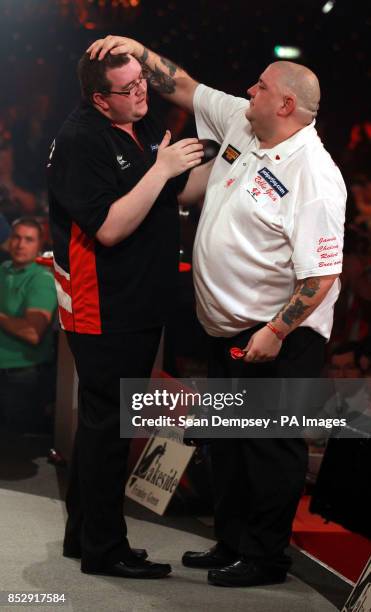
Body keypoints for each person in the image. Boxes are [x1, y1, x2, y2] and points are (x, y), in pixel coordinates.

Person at [88, 36, 347, 587]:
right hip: (227, 323)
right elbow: (181, 85)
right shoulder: (244, 121)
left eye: (261, 86)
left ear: (284, 105)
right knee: (227, 441)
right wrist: (136, 47)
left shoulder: (316, 176)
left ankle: (265, 556)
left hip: (280, 330)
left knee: (270, 446)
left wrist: (276, 330)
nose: (248, 89)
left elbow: (321, 275)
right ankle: (230, 541)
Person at [47, 49, 212, 579]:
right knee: (109, 428)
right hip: (104, 305)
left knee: (104, 424)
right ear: (100, 99)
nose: (143, 92)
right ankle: (105, 548)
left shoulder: (139, 120)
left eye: (143, 82)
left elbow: (178, 189)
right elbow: (111, 227)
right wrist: (163, 165)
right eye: (129, 88)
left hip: (139, 301)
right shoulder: (81, 141)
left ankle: (83, 536)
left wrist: (224, 154)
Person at [0, 217, 57, 432]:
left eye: (28, 239)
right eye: (16, 237)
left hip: (21, 379)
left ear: (40, 245)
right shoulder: (3, 269)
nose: (20, 244)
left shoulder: (41, 279)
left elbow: (33, 332)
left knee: (18, 451)